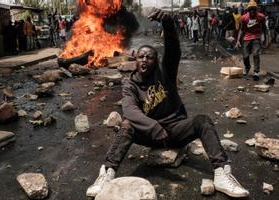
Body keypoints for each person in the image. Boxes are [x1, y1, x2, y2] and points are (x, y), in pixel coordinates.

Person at [86, 9, 250, 199]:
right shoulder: (130, 84)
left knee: (203, 120)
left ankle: (222, 173)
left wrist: (168, 23)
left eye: (150, 57)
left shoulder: (165, 73)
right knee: (127, 124)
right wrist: (153, 127)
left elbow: (173, 50)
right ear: (136, 60)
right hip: (152, 134)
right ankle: (107, 173)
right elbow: (129, 110)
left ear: (156, 61)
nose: (145, 60)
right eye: (141, 56)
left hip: (176, 130)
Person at [236, 0, 267, 81]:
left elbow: (264, 28)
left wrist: (265, 39)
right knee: (245, 56)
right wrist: (238, 40)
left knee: (256, 54)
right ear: (248, 10)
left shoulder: (261, 17)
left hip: (256, 37)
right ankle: (247, 66)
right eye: (250, 9)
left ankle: (256, 72)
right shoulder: (244, 18)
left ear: (256, 9)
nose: (252, 11)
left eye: (254, 9)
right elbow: (241, 30)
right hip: (246, 38)